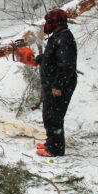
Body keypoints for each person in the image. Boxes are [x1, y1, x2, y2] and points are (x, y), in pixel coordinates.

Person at [34, 9, 77, 157]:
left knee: (54, 116)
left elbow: (66, 65)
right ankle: (50, 142)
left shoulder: (64, 38)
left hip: (59, 85)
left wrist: (58, 86)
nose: (46, 25)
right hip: (53, 83)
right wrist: (40, 59)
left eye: (48, 22)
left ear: (55, 23)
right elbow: (53, 58)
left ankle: (55, 149)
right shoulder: (58, 36)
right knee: (48, 114)